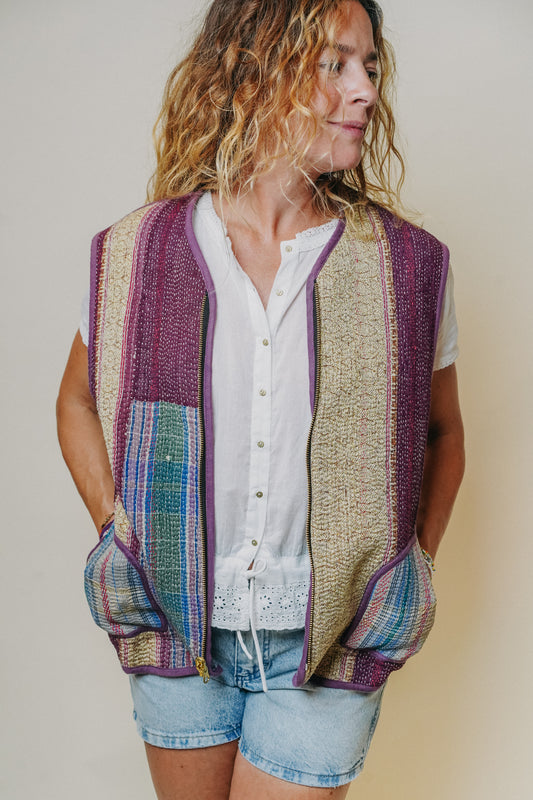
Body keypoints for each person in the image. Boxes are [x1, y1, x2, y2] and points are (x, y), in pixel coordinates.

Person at [56, 1, 465, 797]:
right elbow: (76, 402)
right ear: (253, 72)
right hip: (174, 627)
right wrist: (118, 533)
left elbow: (442, 432)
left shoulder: (409, 269)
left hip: (335, 639)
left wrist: (406, 565)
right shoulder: (136, 253)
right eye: (334, 64)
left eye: (369, 67)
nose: (365, 91)